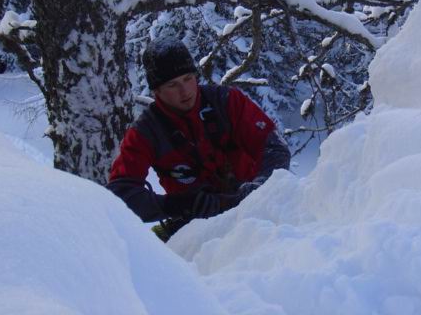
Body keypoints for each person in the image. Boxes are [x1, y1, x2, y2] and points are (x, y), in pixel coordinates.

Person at [107, 36, 291, 241]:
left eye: (188, 78)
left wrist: (258, 189)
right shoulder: (146, 132)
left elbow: (275, 149)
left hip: (255, 211)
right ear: (156, 90)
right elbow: (119, 194)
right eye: (172, 85)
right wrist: (177, 204)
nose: (185, 91)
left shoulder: (227, 102)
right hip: (196, 228)